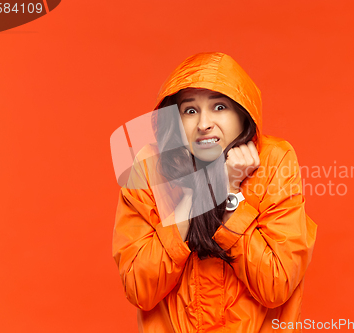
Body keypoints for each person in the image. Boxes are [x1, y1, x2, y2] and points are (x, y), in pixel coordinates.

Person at [112, 52, 317, 332]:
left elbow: (276, 284)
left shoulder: (275, 160)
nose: (204, 123)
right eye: (190, 110)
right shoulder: (149, 167)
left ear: (242, 113)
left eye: (219, 107)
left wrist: (231, 199)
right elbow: (139, 288)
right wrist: (207, 192)